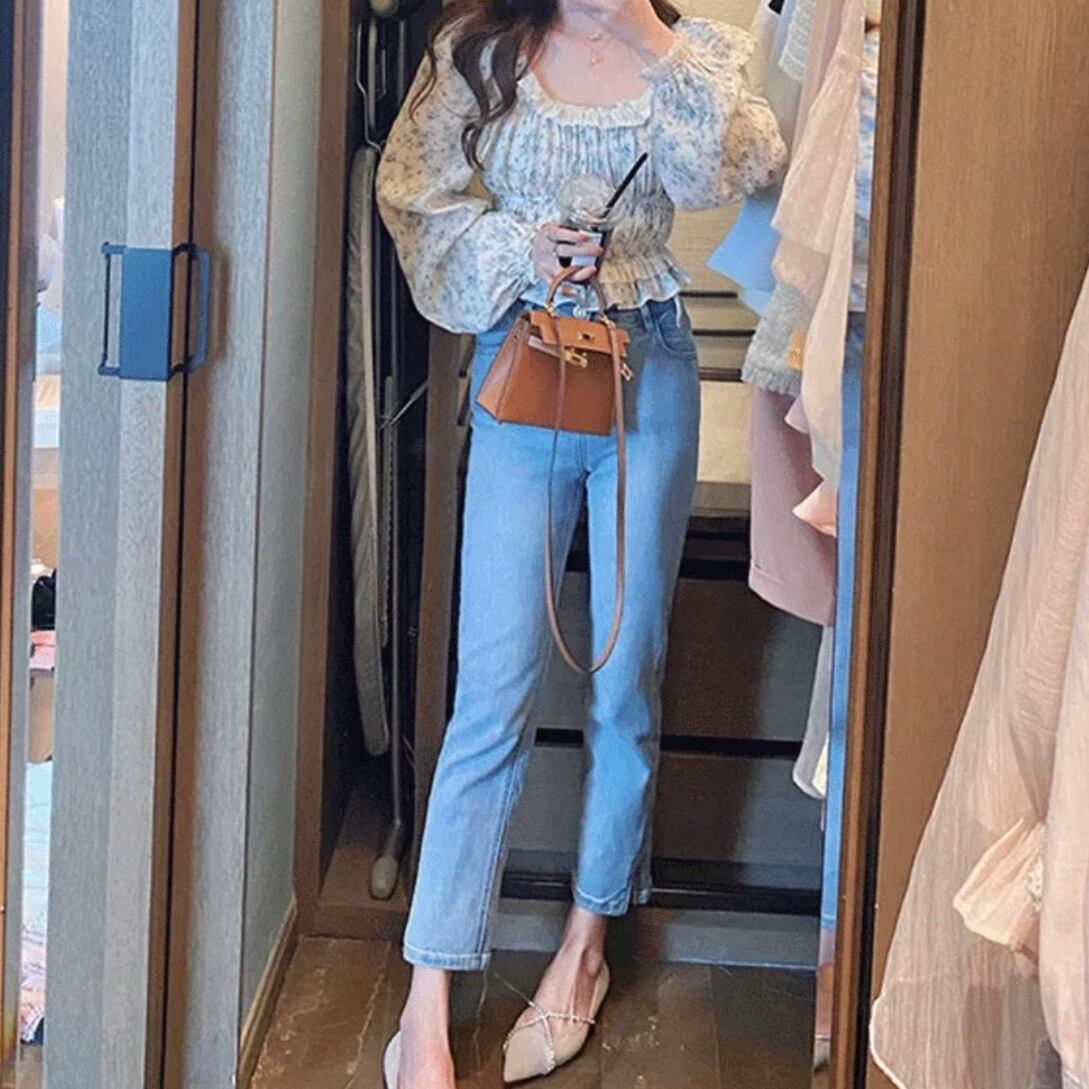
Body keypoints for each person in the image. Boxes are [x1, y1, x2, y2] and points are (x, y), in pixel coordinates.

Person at [376, 0, 786, 1082]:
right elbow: (412, 194)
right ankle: (427, 992)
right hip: (526, 353)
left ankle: (586, 945)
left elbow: (725, 171)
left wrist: (647, 34)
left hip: (649, 367)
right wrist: (522, 246)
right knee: (493, 684)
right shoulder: (480, 46)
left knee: (623, 673)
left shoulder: (697, 53)